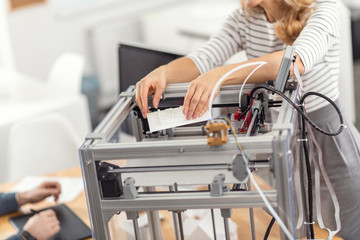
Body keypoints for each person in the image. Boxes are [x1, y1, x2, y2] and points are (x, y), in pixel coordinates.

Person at [135, 0, 360, 239]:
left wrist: (220, 75)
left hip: (328, 139)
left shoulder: (325, 8)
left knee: (348, 228)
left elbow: (294, 62)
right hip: (286, 141)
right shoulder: (245, 18)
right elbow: (204, 58)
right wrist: (163, 73)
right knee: (295, 227)